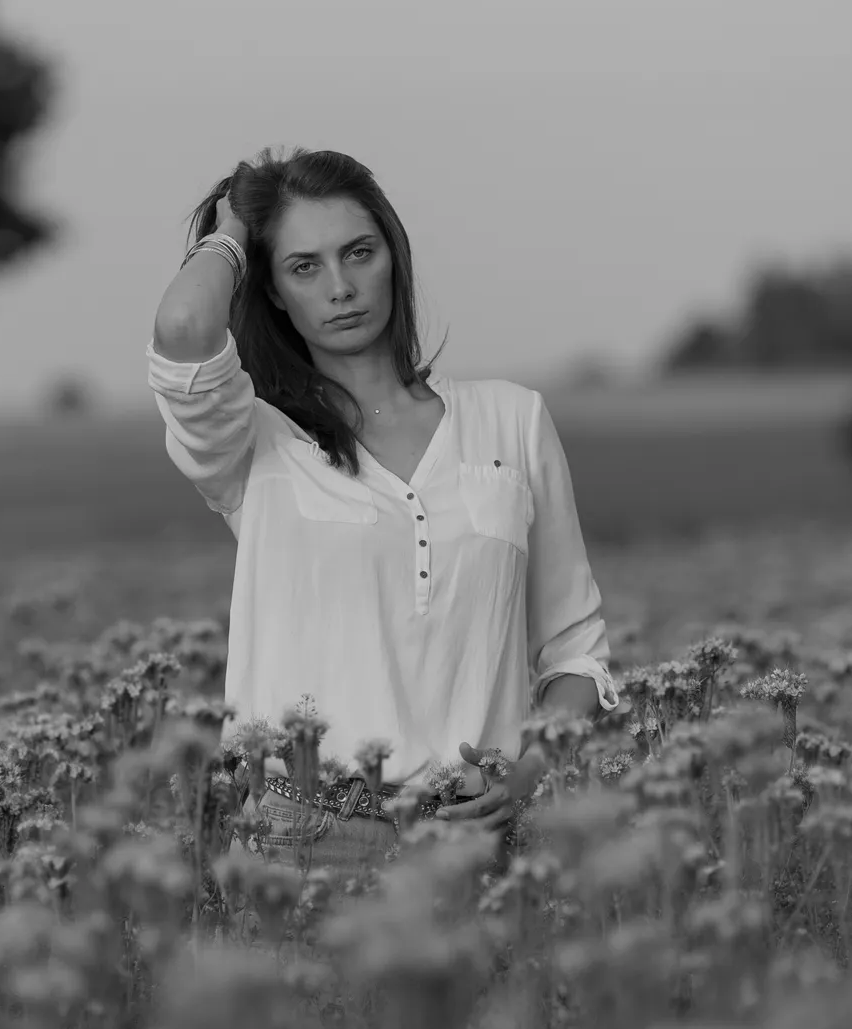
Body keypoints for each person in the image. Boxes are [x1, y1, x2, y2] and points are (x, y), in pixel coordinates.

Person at [146, 147, 619, 875]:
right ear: (271, 289)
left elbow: (575, 649)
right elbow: (183, 325)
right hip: (296, 836)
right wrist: (235, 229)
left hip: (469, 838)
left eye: (358, 253)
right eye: (304, 266)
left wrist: (523, 778)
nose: (340, 287)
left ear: (393, 257)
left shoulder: (512, 421)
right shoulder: (255, 440)